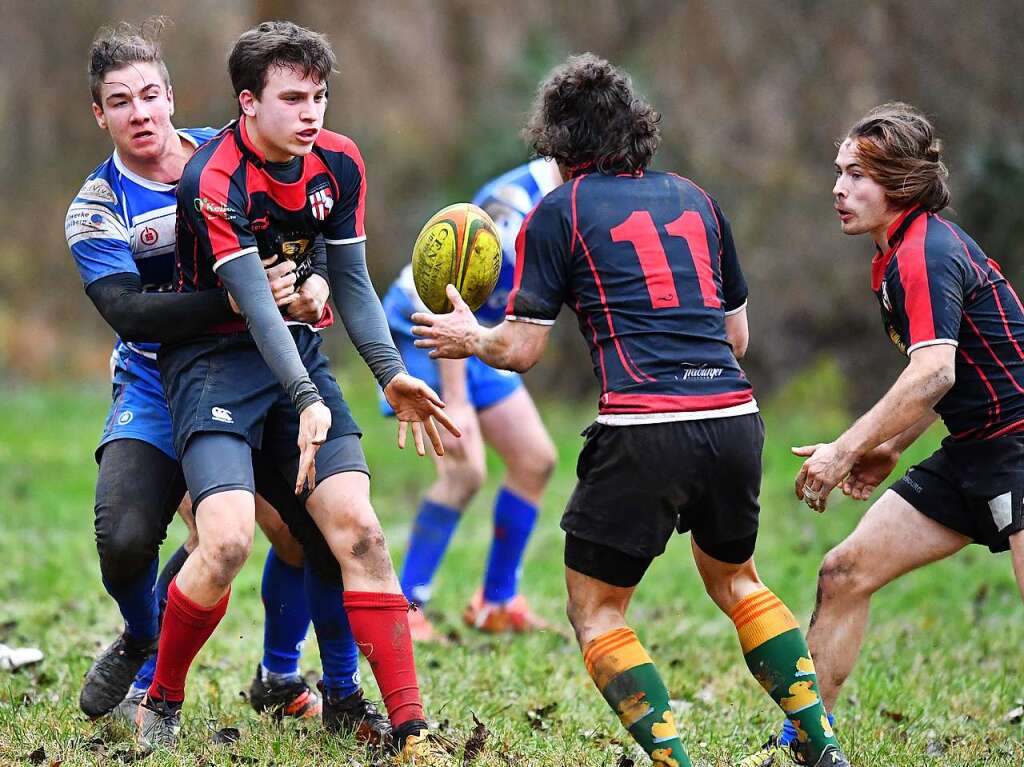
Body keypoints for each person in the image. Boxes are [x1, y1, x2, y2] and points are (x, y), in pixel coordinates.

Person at [412, 53, 850, 767]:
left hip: (644, 430)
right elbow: (736, 337)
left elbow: (521, 352)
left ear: (557, 146)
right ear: (635, 132)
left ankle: (674, 760)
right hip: (735, 419)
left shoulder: (560, 211)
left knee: (598, 610)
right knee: (739, 580)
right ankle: (822, 745)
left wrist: (468, 336)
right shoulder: (697, 199)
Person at [66, 20, 388, 743]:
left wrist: (306, 289)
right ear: (100, 114)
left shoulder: (233, 155)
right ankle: (141, 637)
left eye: (150, 95)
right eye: (121, 102)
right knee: (123, 538)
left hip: (257, 372)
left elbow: (302, 251)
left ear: (173, 96)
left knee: (295, 533)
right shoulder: (95, 206)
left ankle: (285, 677)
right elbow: (127, 312)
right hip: (155, 384)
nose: (141, 113)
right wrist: (241, 296)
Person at [142, 21, 457, 759]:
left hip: (298, 361)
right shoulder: (213, 177)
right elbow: (256, 305)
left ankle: (409, 730)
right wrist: (308, 399)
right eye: (292, 98)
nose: (311, 112)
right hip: (212, 367)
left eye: (318, 95)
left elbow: (348, 280)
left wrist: (390, 370)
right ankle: (162, 696)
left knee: (360, 530)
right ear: (248, 103)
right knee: (223, 542)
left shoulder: (340, 163)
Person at [748, 102, 1024, 766]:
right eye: (838, 171)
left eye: (858, 175)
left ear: (900, 184)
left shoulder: (925, 251)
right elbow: (950, 370)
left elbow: (933, 371)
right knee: (844, 572)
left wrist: (844, 449)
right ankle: (808, 741)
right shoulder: (896, 254)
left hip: (1019, 443)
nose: (839, 189)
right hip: (974, 450)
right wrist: (893, 444)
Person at [382, 160, 560, 641]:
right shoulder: (512, 206)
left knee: (535, 460)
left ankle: (496, 602)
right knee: (465, 469)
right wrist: (456, 400)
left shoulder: (580, 201)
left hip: (479, 334)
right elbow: (450, 299)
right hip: (427, 325)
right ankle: (405, 605)